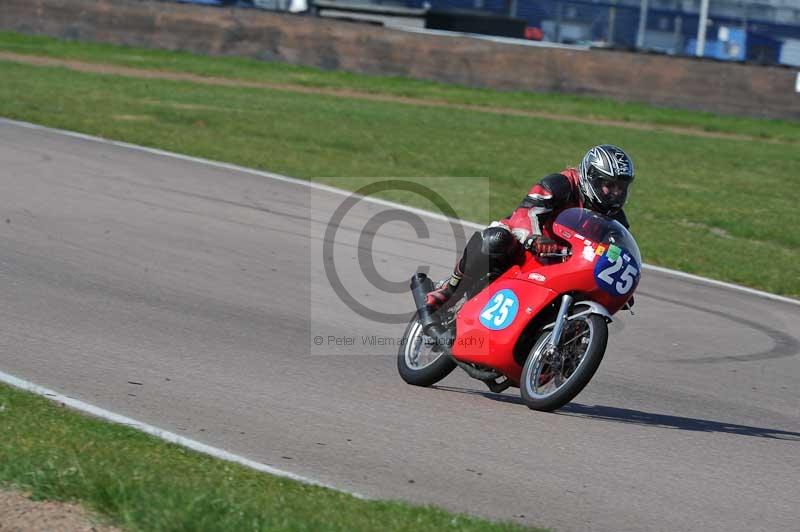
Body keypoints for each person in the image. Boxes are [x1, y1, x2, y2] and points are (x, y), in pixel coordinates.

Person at [419, 144, 635, 332]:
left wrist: (619, 284)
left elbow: (616, 253)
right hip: (525, 243)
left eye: (621, 187)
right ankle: (448, 291)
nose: (615, 193)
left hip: (563, 265)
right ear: (591, 177)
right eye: (610, 185)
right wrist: (535, 238)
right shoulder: (560, 184)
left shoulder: (617, 220)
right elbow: (526, 212)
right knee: (495, 239)